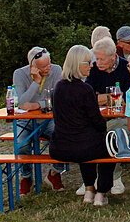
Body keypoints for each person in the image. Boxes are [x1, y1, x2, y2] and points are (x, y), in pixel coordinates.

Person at [49, 45, 115, 205]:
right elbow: (98, 122)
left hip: (60, 147)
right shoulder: (85, 90)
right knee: (110, 146)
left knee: (87, 143)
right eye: (88, 63)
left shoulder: (58, 87)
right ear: (78, 64)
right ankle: (101, 192)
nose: (91, 66)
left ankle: (89, 189)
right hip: (82, 147)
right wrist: (104, 126)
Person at [11, 46, 66, 194]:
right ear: (33, 67)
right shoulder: (19, 74)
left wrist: (37, 105)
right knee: (21, 144)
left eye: (49, 63)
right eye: (44, 66)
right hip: (26, 120)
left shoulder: (56, 70)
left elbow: (59, 98)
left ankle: (55, 173)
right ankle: (26, 176)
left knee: (63, 137)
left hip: (49, 119)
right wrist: (36, 82)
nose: (48, 68)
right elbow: (21, 102)